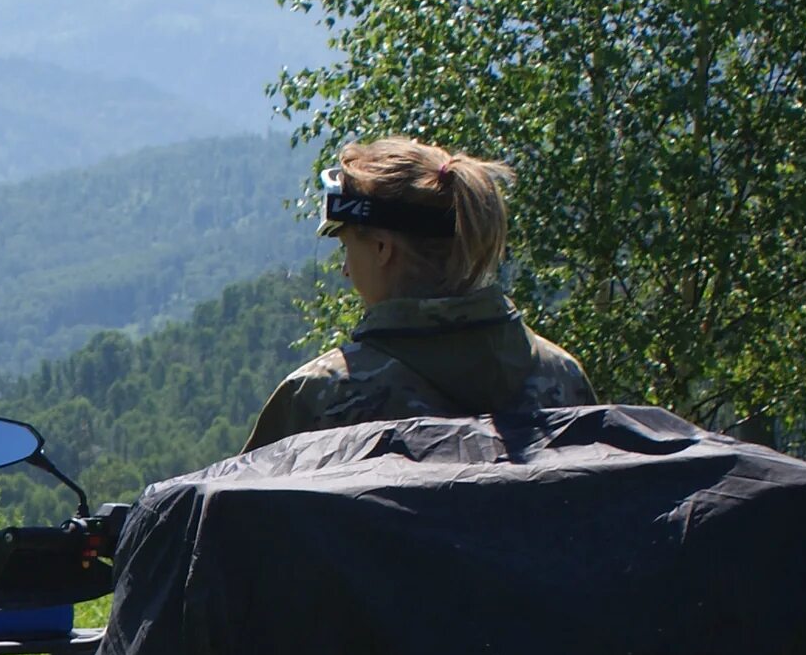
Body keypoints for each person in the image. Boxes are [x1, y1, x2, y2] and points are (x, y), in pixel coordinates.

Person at [244, 136, 593, 451]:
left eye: (347, 248)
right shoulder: (563, 378)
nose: (345, 270)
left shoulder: (320, 396)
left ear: (382, 248)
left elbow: (238, 517)